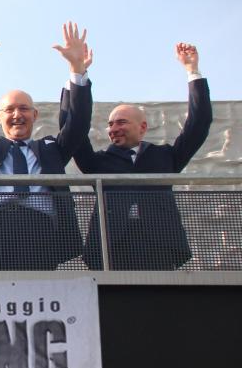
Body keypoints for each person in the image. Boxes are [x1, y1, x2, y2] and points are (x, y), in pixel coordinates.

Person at [0, 20, 93, 270]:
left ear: (35, 115)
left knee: (39, 291)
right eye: (9, 110)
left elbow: (78, 124)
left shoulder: (51, 149)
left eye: (24, 108)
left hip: (40, 232)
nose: (17, 114)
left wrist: (76, 70)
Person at [60, 42, 212, 270]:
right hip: (109, 251)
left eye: (121, 122)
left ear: (142, 127)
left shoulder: (166, 157)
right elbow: (71, 128)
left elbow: (199, 124)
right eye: (110, 124)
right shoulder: (97, 162)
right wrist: (77, 73)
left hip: (160, 249)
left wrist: (193, 71)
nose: (113, 129)